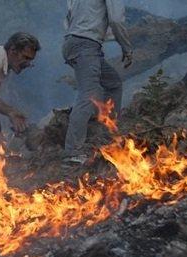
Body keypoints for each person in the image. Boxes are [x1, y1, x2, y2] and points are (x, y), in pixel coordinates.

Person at [62, 0, 133, 165]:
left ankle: (108, 133)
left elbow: (69, 17)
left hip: (74, 43)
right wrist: (127, 48)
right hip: (86, 45)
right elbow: (116, 20)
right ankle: (72, 153)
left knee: (113, 84)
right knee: (90, 94)